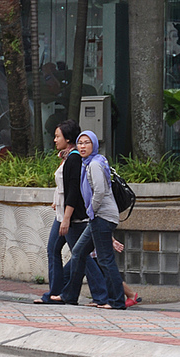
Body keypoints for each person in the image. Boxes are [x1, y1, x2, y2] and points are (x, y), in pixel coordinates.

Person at [36, 120, 104, 305]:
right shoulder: (68, 157)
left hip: (71, 217)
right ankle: (57, 293)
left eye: (58, 136)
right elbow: (64, 188)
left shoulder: (73, 158)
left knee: (79, 254)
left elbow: (73, 191)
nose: (55, 140)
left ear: (68, 139)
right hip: (63, 214)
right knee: (58, 251)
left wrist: (66, 218)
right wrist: (56, 203)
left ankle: (100, 294)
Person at [58, 130, 126, 309]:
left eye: (87, 143)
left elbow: (100, 191)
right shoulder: (90, 163)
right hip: (99, 216)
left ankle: (116, 301)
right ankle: (70, 296)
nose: (82, 146)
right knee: (79, 252)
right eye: (80, 143)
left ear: (94, 145)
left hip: (101, 215)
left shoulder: (94, 164)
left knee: (105, 259)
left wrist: (91, 211)